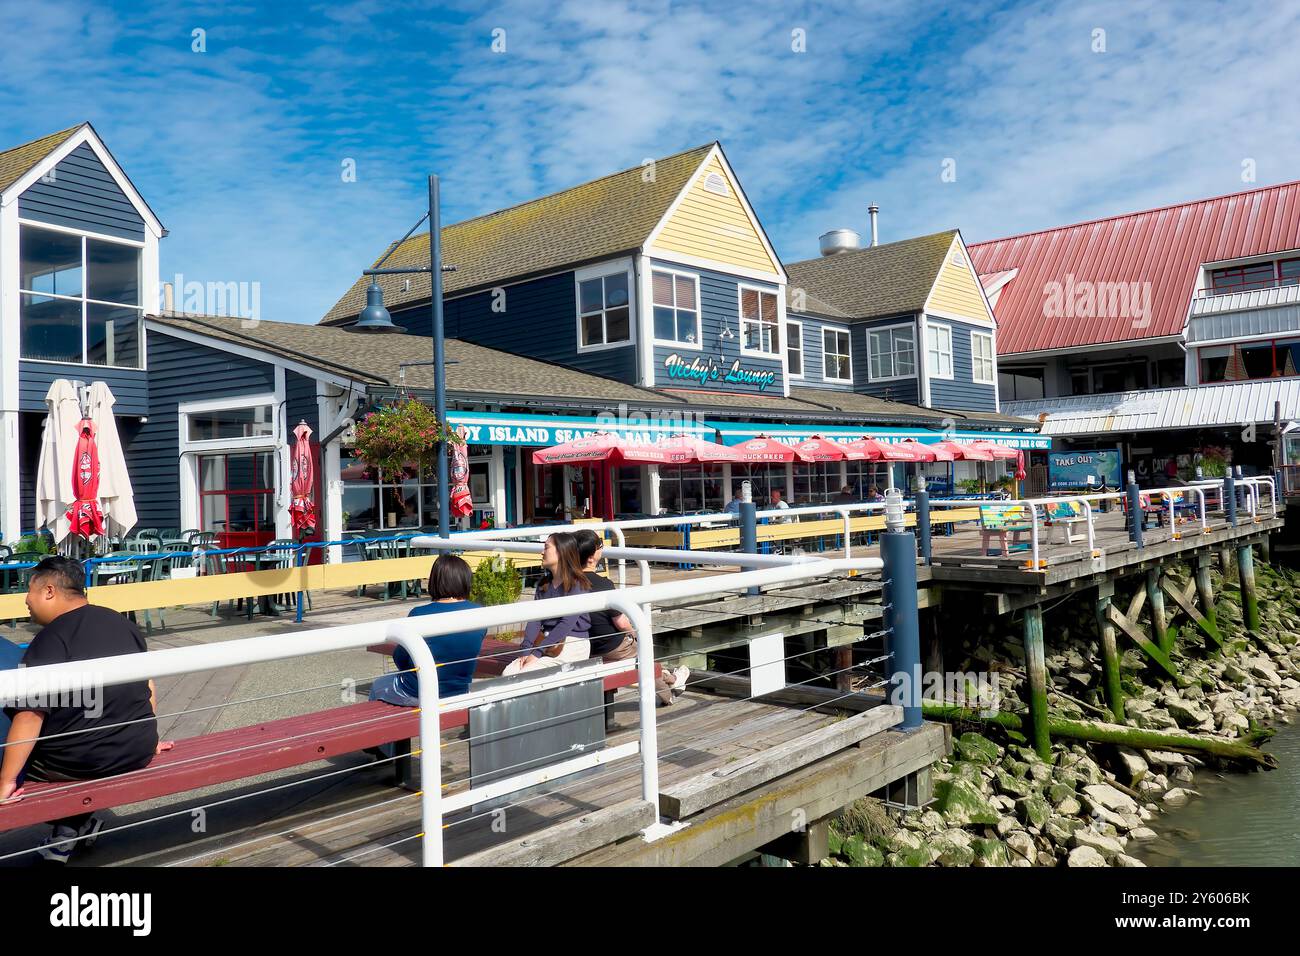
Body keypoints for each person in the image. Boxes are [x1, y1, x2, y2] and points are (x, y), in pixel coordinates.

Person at [0, 557, 170, 864]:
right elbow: (147, 685)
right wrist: (151, 738)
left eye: (30, 590)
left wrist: (7, 781)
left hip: (81, 762)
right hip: (137, 750)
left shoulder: (50, 640)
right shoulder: (121, 623)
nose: (26, 599)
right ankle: (73, 827)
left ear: (49, 591)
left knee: (10, 733)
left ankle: (70, 827)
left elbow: (29, 716)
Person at [573, 530, 688, 711]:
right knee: (643, 654)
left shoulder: (568, 582)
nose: (602, 549)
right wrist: (635, 633)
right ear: (591, 557)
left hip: (586, 647)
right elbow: (621, 623)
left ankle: (671, 677)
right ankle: (670, 689)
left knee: (639, 652)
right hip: (610, 647)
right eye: (600, 546)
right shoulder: (604, 585)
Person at [370, 554, 486, 706]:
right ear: (465, 580)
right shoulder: (479, 612)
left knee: (377, 685)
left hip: (417, 692)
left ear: (435, 580)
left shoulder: (419, 614)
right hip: (459, 691)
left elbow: (401, 658)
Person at [504, 532, 591, 674]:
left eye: (546, 548)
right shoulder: (544, 584)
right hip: (547, 642)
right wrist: (526, 650)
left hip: (572, 644)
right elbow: (535, 620)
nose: (541, 552)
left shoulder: (578, 585)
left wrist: (536, 653)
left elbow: (566, 624)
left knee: (523, 675)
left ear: (561, 551)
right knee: (509, 673)